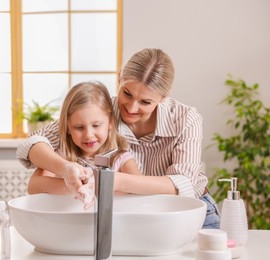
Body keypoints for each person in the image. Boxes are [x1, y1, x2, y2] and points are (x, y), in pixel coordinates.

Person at [17, 48, 220, 229]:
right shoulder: (100, 111)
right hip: (129, 212)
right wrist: (66, 169)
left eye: (146, 102)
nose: (131, 108)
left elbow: (183, 184)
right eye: (127, 93)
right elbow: (34, 143)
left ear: (164, 98)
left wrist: (109, 182)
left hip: (184, 213)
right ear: (119, 78)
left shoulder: (186, 119)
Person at [27, 81, 141, 208]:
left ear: (110, 123)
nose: (88, 135)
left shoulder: (121, 157)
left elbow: (138, 188)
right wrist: (76, 186)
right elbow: (33, 186)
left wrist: (96, 187)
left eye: (96, 125)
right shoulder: (61, 155)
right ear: (68, 128)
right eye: (79, 127)